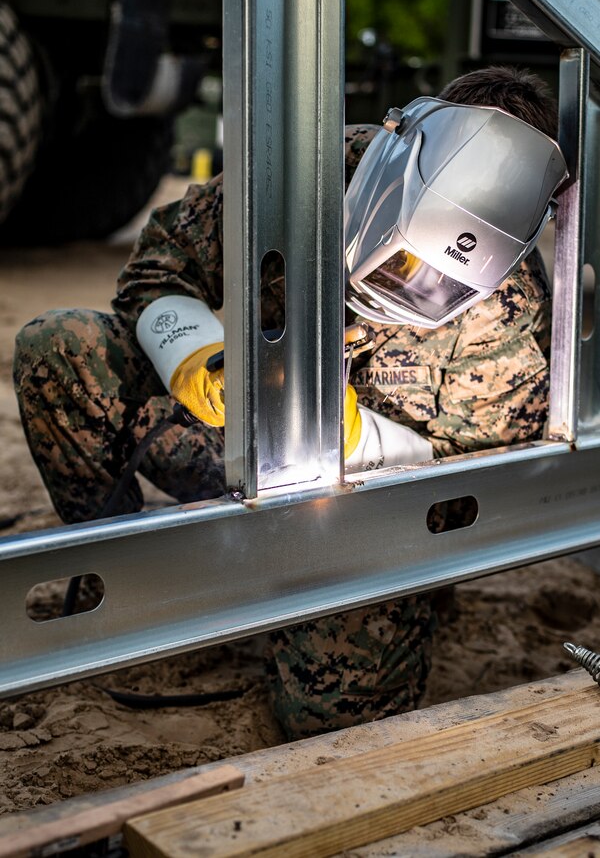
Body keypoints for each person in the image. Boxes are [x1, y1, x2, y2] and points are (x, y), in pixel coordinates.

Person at [13, 66, 567, 739]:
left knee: (333, 720)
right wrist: (193, 352)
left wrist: (358, 441)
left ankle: (320, 607)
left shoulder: (512, 309)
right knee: (61, 349)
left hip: (372, 520)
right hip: (238, 445)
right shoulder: (304, 171)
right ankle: (126, 580)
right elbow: (161, 262)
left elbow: (480, 493)